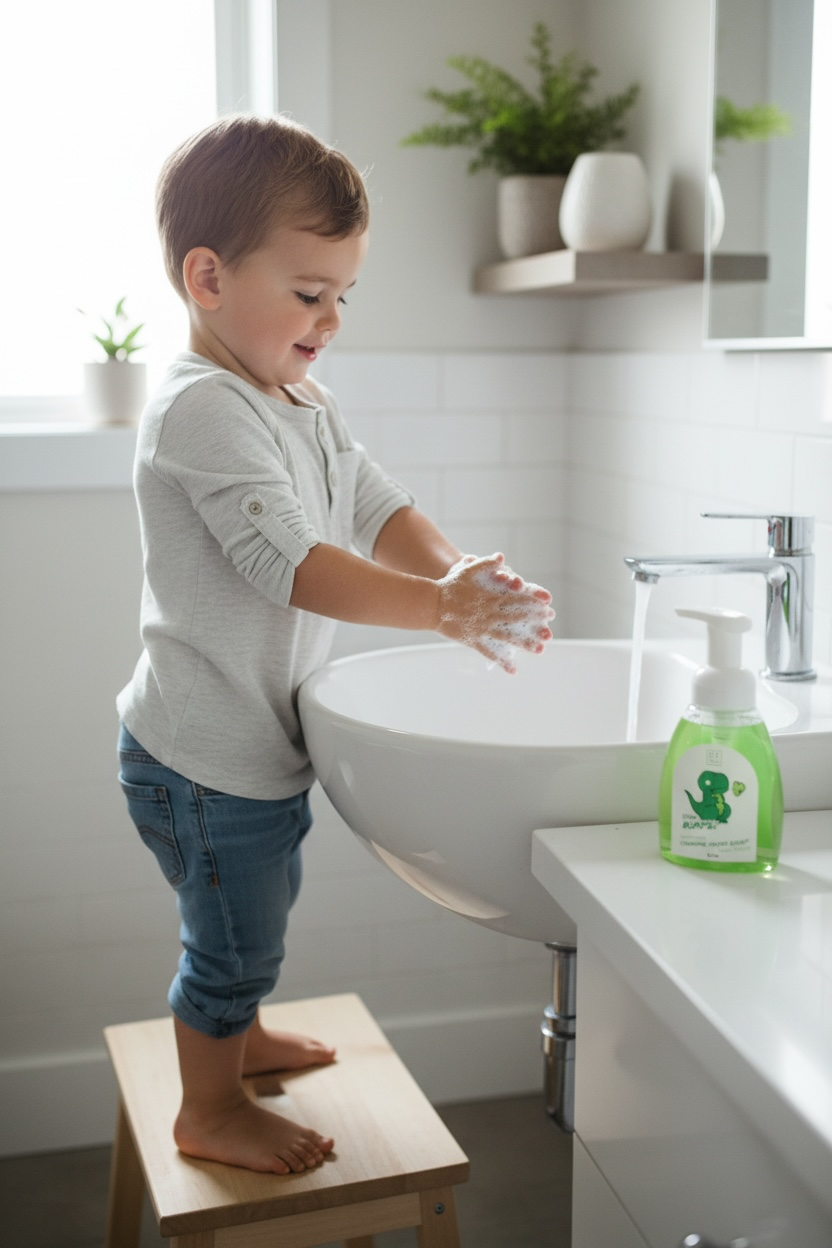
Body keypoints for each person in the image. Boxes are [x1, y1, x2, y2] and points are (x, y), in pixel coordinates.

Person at [116, 113, 554, 1178]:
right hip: (201, 756)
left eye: (343, 294)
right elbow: (294, 565)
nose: (331, 320)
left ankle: (241, 1032)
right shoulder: (200, 412)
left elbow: (370, 500)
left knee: (256, 914)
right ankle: (208, 1107)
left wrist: (454, 574)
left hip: (249, 745)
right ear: (208, 278)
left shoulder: (295, 397)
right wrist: (438, 612)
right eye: (308, 293)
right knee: (231, 934)